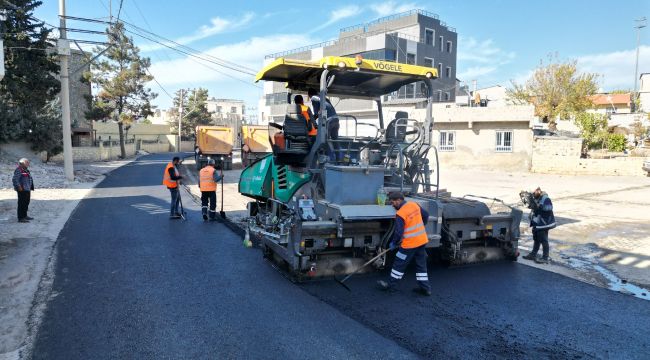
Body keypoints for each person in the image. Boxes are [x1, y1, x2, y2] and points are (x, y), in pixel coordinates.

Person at [377, 192, 431, 296]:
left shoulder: (401, 214)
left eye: (393, 202)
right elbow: (426, 215)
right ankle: (425, 288)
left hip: (409, 245)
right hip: (421, 241)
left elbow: (398, 233)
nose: (392, 205)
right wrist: (419, 226)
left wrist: (394, 243)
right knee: (421, 265)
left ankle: (391, 287)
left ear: (398, 200)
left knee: (399, 263)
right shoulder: (414, 204)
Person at [522, 187, 556, 264]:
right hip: (537, 222)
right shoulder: (536, 198)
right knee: (536, 239)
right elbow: (534, 208)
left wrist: (539, 206)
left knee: (544, 240)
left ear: (538, 190)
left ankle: (545, 257)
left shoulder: (545, 198)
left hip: (543, 223)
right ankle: (533, 254)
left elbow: (549, 208)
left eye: (534, 193)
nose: (533, 195)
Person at [308, 88, 340, 161]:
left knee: (324, 140)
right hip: (336, 119)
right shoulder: (324, 98)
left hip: (329, 121)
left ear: (309, 95)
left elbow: (317, 113)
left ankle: (329, 158)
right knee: (335, 140)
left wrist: (311, 121)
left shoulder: (314, 98)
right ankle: (338, 159)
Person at [12, 158, 34, 223]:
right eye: (27, 162)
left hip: (27, 189)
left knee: (26, 203)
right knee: (21, 204)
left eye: (28, 162)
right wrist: (18, 187)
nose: (28, 163)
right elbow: (15, 179)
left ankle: (25, 215)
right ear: (22, 163)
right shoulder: (18, 170)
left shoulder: (26, 170)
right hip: (22, 189)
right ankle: (21, 218)